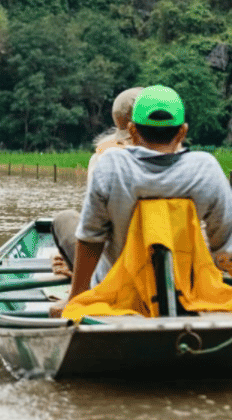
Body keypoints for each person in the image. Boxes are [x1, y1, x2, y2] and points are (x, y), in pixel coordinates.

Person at [51, 85, 232, 317]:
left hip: (117, 294)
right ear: (182, 132)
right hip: (188, 292)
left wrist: (75, 300)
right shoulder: (205, 168)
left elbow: (90, 237)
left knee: (64, 219)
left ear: (132, 131)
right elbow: (224, 246)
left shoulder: (111, 164)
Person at [51, 87, 144, 276]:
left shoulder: (104, 159)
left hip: (117, 272)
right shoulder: (183, 164)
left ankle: (87, 280)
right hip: (168, 263)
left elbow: (93, 226)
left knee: (65, 218)